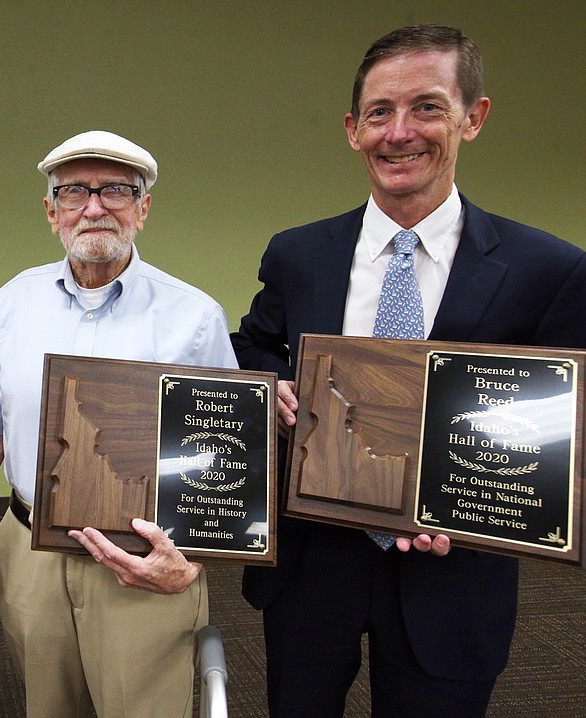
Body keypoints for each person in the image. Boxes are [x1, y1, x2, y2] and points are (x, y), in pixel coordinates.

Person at [232, 24, 586, 718]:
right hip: (314, 560)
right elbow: (254, 345)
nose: (400, 132)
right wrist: (267, 384)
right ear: (352, 129)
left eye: (427, 106)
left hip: (455, 572)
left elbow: (562, 426)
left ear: (472, 118)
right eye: (379, 112)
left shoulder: (549, 269)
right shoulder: (298, 254)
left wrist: (486, 505)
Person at [0, 130, 237, 718]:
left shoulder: (195, 318)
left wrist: (194, 561)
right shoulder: (14, 303)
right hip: (32, 557)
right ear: (51, 212)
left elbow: (229, 462)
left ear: (144, 207)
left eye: (116, 190)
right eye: (74, 191)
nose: (95, 206)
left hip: (143, 563)